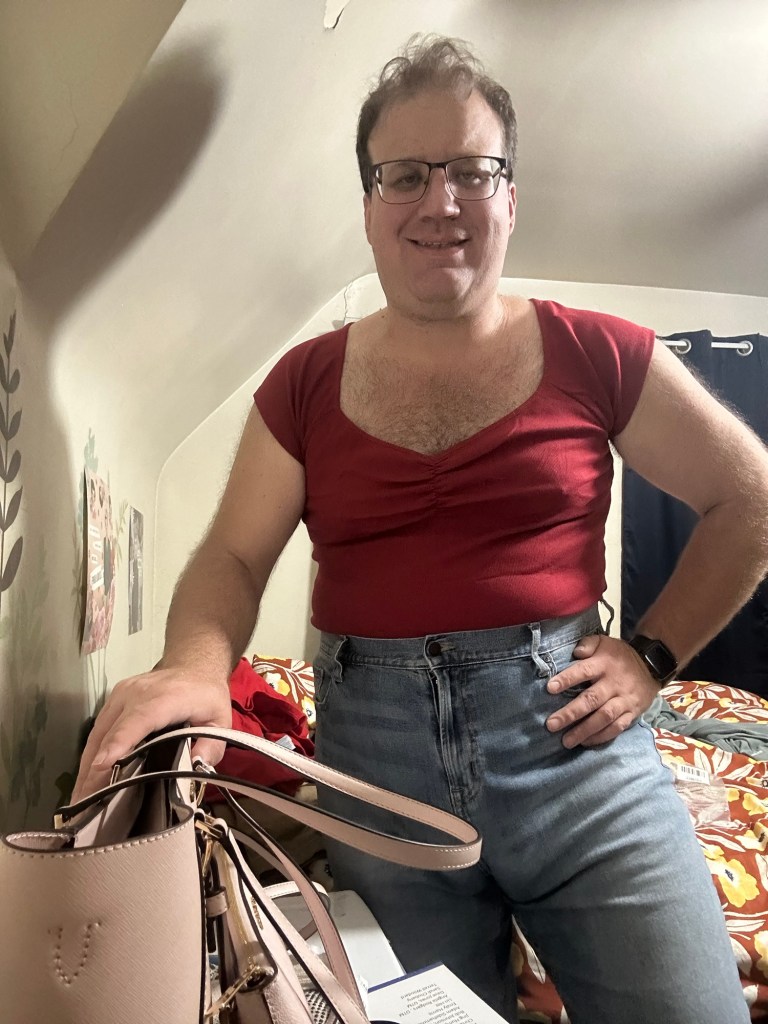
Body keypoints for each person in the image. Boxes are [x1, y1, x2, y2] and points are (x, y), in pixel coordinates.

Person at [74, 35, 768, 1023]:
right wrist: (193, 667)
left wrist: (652, 656)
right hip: (376, 779)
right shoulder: (302, 383)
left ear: (510, 197)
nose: (440, 202)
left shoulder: (603, 352)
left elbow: (751, 500)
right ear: (369, 206)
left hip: (579, 760)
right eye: (404, 175)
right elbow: (231, 554)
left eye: (471, 171)